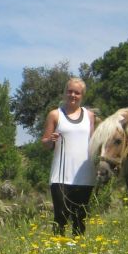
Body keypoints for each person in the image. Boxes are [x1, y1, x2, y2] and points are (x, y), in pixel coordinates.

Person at [41, 77, 96, 236]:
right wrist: (50, 140)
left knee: (80, 218)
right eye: (70, 91)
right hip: (61, 176)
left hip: (85, 175)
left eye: (77, 93)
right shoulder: (55, 115)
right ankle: (57, 252)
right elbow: (45, 143)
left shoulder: (90, 116)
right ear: (65, 92)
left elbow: (93, 142)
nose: (72, 95)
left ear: (82, 95)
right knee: (61, 217)